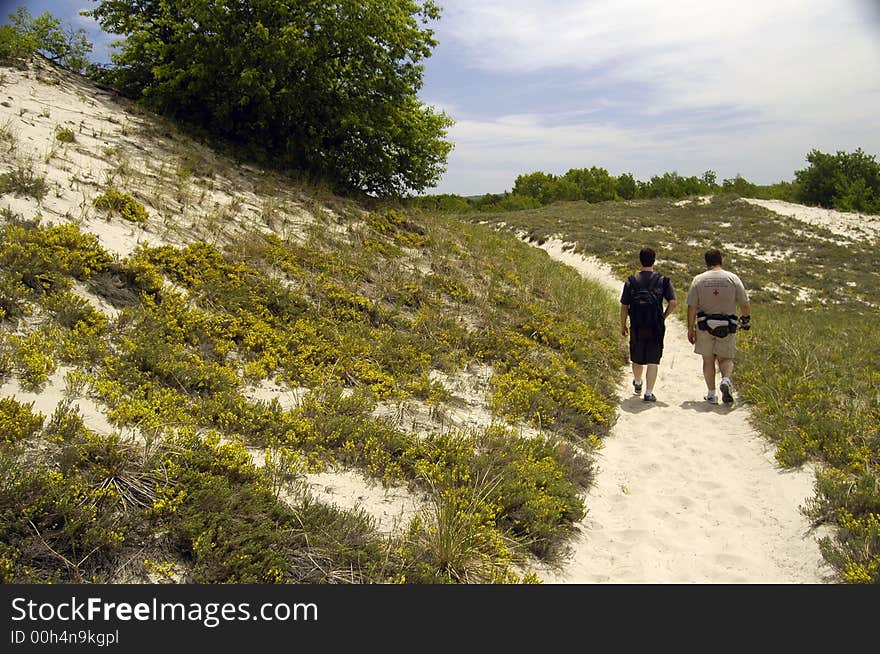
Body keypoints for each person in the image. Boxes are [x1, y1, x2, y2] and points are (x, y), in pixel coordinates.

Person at [686, 248, 751, 404]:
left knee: (708, 360)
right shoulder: (733, 278)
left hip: (704, 325)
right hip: (727, 325)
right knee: (726, 358)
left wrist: (690, 328)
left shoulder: (698, 280)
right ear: (721, 260)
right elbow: (744, 303)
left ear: (706, 261)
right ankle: (726, 380)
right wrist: (746, 319)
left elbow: (692, 307)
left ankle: (711, 393)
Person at [620, 247, 677, 402]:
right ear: (654, 260)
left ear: (640, 260)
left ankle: (638, 382)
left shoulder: (631, 281)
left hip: (637, 325)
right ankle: (648, 393)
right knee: (653, 360)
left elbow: (624, 305)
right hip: (655, 326)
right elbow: (673, 302)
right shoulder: (663, 281)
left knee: (637, 358)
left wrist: (623, 324)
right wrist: (663, 316)